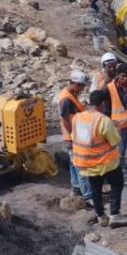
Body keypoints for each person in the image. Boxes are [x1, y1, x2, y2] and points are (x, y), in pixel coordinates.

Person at [71, 88, 124, 227]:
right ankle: (114, 214)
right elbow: (115, 140)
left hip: (86, 163)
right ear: (102, 104)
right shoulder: (103, 120)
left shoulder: (77, 118)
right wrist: (116, 127)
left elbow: (75, 137)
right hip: (105, 162)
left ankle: (101, 216)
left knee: (95, 188)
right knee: (117, 183)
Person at [56, 70, 88, 199]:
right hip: (71, 136)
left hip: (73, 135)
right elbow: (65, 118)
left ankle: (76, 188)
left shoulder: (71, 94)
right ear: (74, 83)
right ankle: (87, 194)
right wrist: (73, 134)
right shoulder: (65, 98)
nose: (82, 89)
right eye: (81, 86)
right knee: (79, 164)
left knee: (73, 163)